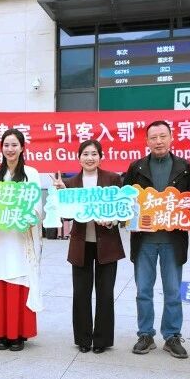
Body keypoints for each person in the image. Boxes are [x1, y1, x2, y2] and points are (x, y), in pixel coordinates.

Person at [122, 120, 190, 358]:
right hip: (144, 240)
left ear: (171, 138)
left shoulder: (184, 167)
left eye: (163, 136)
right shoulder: (136, 167)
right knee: (143, 290)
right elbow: (126, 200)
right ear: (146, 141)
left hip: (173, 240)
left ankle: (172, 335)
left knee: (172, 290)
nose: (159, 142)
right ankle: (145, 334)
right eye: (153, 138)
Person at [0, 129, 43, 352]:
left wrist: (26, 216)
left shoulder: (31, 174)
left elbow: (36, 208)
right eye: (6, 145)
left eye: (14, 145)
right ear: (1, 148)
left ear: (22, 148)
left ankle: (18, 334)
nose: (10, 149)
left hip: (19, 240)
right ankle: (1, 333)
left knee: (18, 282)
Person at [53, 140, 124, 354]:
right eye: (85, 154)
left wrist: (111, 220)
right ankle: (83, 339)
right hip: (81, 245)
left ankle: (101, 340)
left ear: (101, 157)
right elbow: (66, 216)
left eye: (94, 154)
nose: (90, 158)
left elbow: (122, 210)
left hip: (107, 244)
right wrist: (61, 194)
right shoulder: (71, 182)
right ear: (79, 158)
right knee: (81, 293)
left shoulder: (112, 179)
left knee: (105, 293)